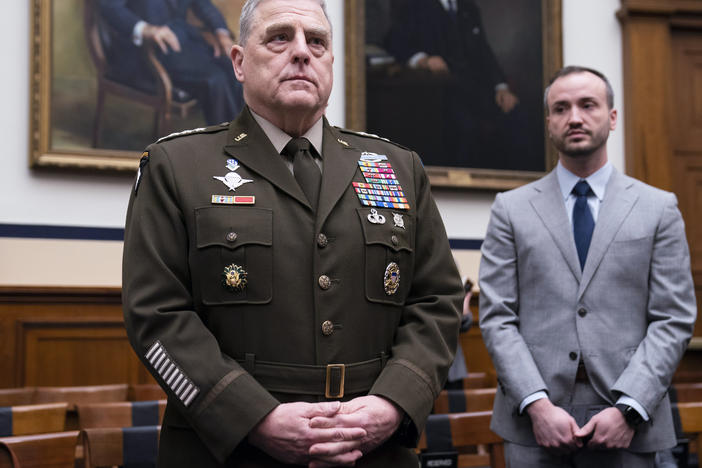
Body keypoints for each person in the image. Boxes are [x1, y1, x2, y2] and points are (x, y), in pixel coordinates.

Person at [121, 0, 463, 466]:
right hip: (231, 449)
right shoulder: (177, 167)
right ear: (239, 62)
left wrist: (393, 404)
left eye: (316, 41)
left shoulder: (397, 168)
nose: (302, 52)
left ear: (331, 64)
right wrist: (254, 418)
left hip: (373, 450)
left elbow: (437, 301)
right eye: (280, 37)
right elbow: (154, 316)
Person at [478, 65, 697, 467]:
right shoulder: (510, 209)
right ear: (549, 123)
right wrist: (537, 406)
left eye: (587, 105)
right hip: (535, 424)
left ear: (612, 117)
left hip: (630, 421)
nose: (574, 117)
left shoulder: (658, 208)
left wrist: (629, 408)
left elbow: (673, 317)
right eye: (561, 108)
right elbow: (496, 318)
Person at [382, 0, 526, 169]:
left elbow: (484, 52)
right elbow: (394, 42)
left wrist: (501, 87)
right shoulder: (415, 6)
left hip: (476, 92)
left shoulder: (468, 7)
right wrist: (423, 59)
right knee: (465, 129)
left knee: (517, 116)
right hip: (439, 95)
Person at [98, 0, 244, 126]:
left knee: (234, 70)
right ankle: (228, 147)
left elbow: (203, 4)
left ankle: (248, 140)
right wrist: (146, 29)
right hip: (142, 51)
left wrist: (221, 33)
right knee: (215, 79)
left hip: (181, 41)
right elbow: (109, 7)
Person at [445, 278, 474, 389]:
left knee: (457, 404)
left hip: (453, 369)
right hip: (426, 367)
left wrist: (464, 313)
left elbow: (465, 326)